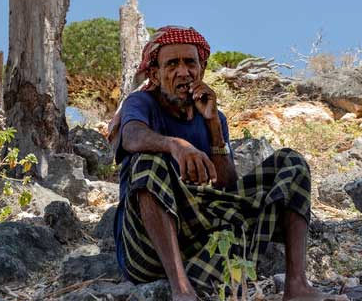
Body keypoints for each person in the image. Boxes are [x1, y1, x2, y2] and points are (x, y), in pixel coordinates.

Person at [112, 26, 345, 301]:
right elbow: (131, 136)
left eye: (190, 63)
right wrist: (176, 145)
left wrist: (213, 124)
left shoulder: (214, 116)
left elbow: (227, 186)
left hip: (207, 247)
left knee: (291, 163)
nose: (183, 72)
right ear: (155, 74)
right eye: (172, 64)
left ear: (201, 70)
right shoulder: (141, 103)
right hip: (147, 252)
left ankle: (297, 286)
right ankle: (181, 290)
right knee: (147, 162)